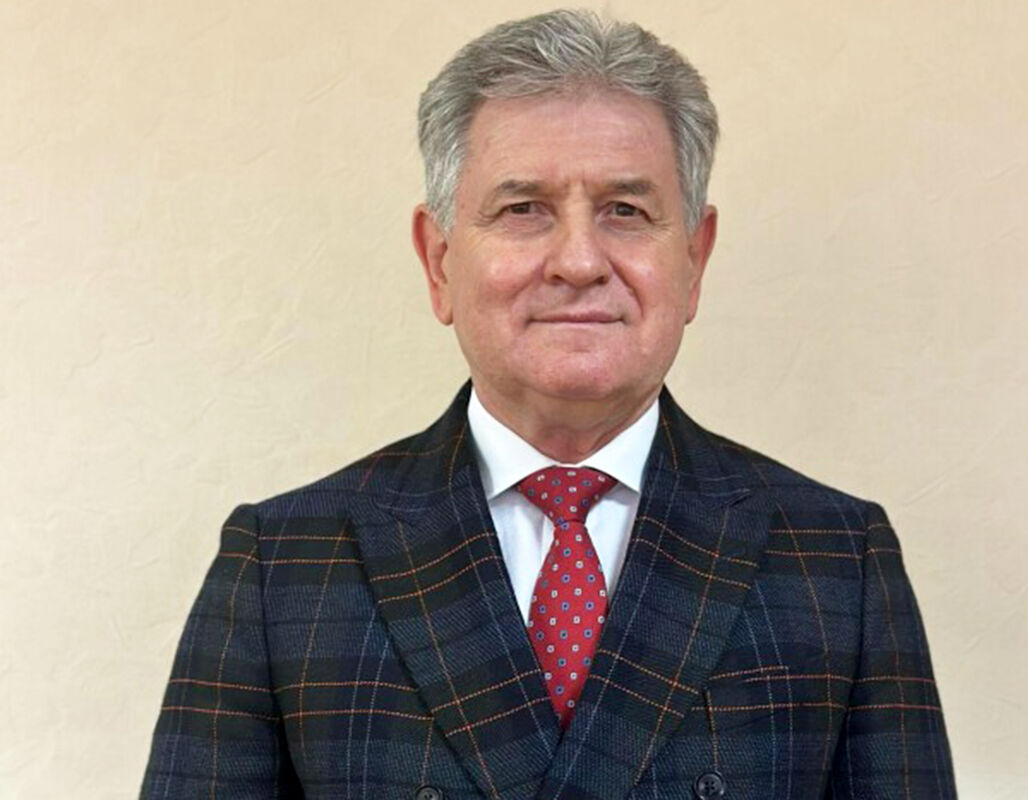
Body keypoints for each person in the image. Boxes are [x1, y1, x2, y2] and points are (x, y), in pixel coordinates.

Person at [141, 10, 955, 799]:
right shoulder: (283, 564)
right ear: (439, 261)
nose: (578, 260)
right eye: (523, 209)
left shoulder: (836, 561)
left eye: (625, 211)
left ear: (694, 260)